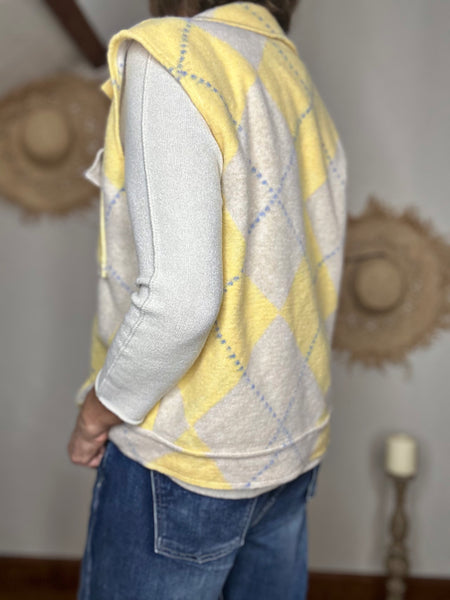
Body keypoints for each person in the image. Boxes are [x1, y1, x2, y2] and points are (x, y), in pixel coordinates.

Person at [68, 1, 347, 598]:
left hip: (185, 456)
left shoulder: (174, 53)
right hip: (289, 445)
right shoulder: (289, 72)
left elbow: (180, 304)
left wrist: (97, 411)